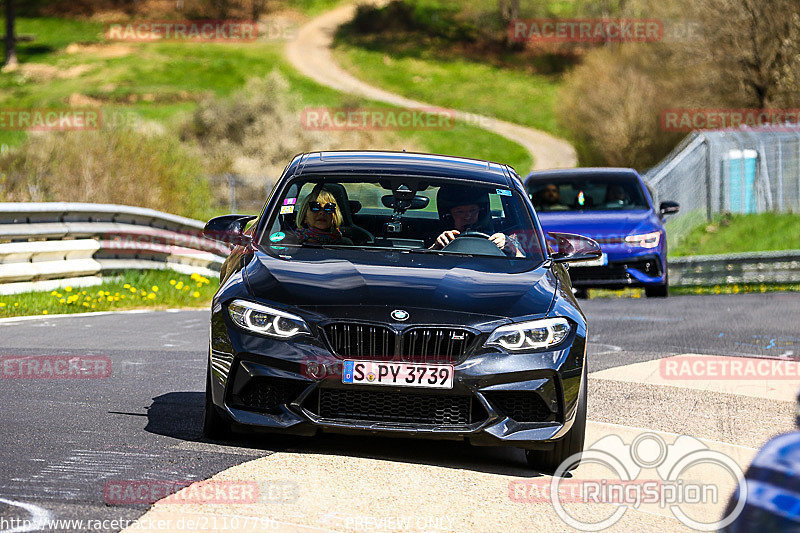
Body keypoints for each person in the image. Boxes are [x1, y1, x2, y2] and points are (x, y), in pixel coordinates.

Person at [430, 186, 523, 257]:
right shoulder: (436, 238)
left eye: (473, 210)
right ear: (448, 216)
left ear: (481, 212)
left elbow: (529, 268)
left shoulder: (501, 237)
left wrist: (510, 247)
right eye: (460, 212)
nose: (467, 216)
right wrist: (436, 247)